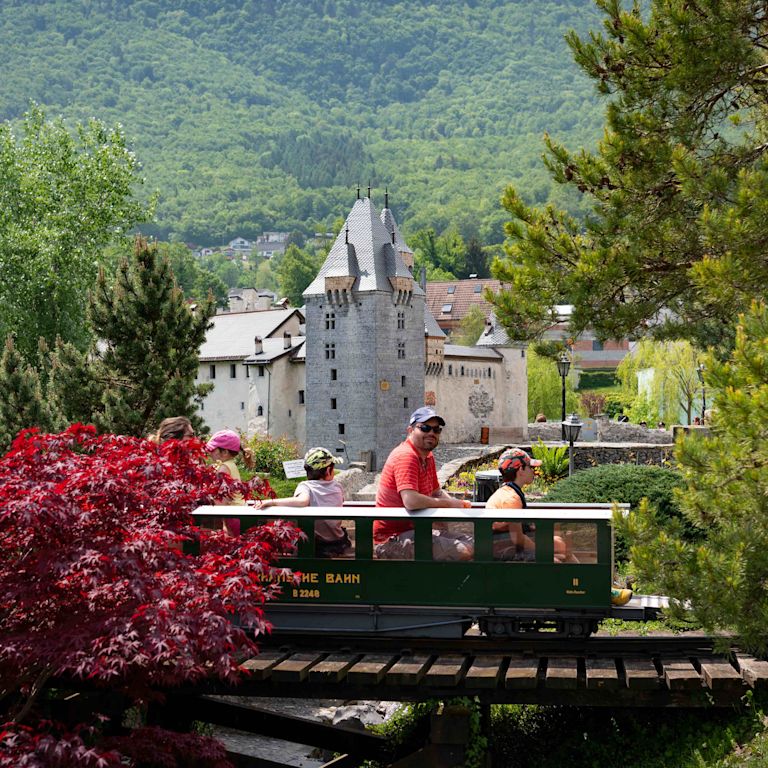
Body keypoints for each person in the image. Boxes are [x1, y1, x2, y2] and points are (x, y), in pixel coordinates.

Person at [374, 407, 472, 560]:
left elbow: (436, 492)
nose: (431, 433)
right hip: (392, 539)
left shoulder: (427, 457)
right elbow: (411, 501)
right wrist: (448, 505)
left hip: (417, 531)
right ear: (410, 430)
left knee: (473, 544)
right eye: (425, 428)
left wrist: (459, 503)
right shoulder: (406, 456)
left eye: (436, 429)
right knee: (464, 550)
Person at [255, 446, 350, 558]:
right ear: (329, 470)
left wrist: (272, 502)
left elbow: (302, 501)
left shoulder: (306, 486)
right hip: (337, 541)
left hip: (316, 544)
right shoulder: (337, 487)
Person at [485, 448, 576, 562]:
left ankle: (581, 578)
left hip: (507, 545)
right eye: (531, 467)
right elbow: (517, 538)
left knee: (561, 544)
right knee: (555, 560)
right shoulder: (511, 499)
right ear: (521, 470)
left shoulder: (510, 492)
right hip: (503, 552)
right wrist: (543, 552)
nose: (534, 471)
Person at [205, 429, 254, 535]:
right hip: (238, 513)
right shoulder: (230, 465)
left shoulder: (223, 469)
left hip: (232, 516)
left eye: (213, 449)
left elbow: (221, 501)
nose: (209, 452)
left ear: (225, 452)